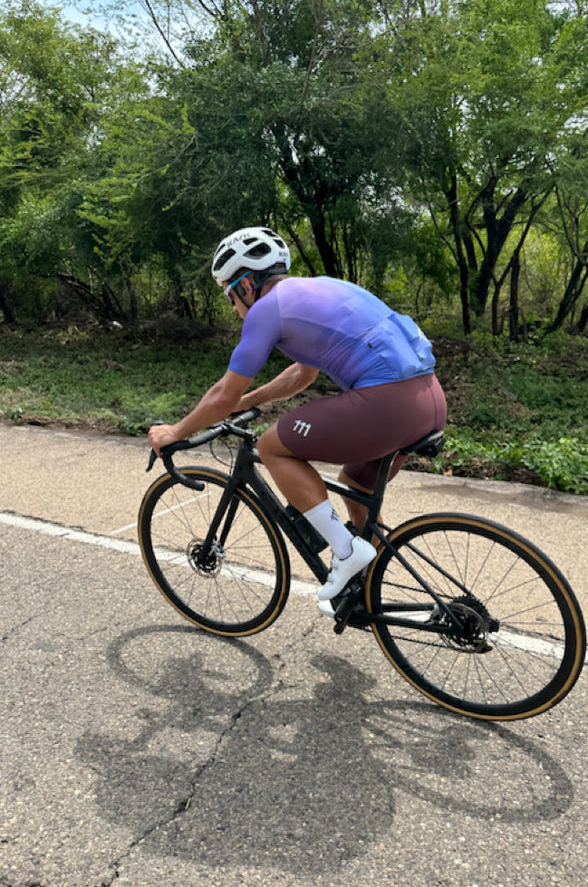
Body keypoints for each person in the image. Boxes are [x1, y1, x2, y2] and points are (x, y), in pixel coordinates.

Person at [148, 226, 447, 616]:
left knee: (272, 446)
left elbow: (222, 394)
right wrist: (249, 401)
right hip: (429, 399)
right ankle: (373, 587)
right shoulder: (319, 290)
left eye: (229, 294)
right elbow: (302, 375)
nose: (233, 307)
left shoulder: (267, 309)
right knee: (354, 482)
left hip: (387, 403)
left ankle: (346, 552)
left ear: (245, 284)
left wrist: (175, 431)